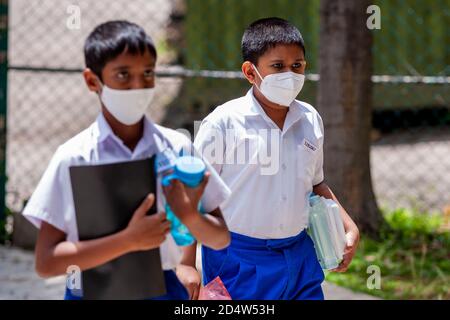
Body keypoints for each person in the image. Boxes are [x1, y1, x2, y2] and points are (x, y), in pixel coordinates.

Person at [22, 20, 231, 300]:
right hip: (91, 291)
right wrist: (128, 241)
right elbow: (46, 263)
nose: (138, 85)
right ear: (92, 81)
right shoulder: (74, 157)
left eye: (147, 73)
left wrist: (190, 216)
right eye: (123, 74)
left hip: (164, 289)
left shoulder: (177, 148)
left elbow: (221, 238)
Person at [193, 17, 360, 300]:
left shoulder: (310, 120)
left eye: (297, 66)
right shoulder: (222, 123)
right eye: (278, 66)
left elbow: (316, 183)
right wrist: (186, 266)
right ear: (250, 72)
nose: (290, 75)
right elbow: (192, 196)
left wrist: (349, 225)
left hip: (299, 255)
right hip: (237, 259)